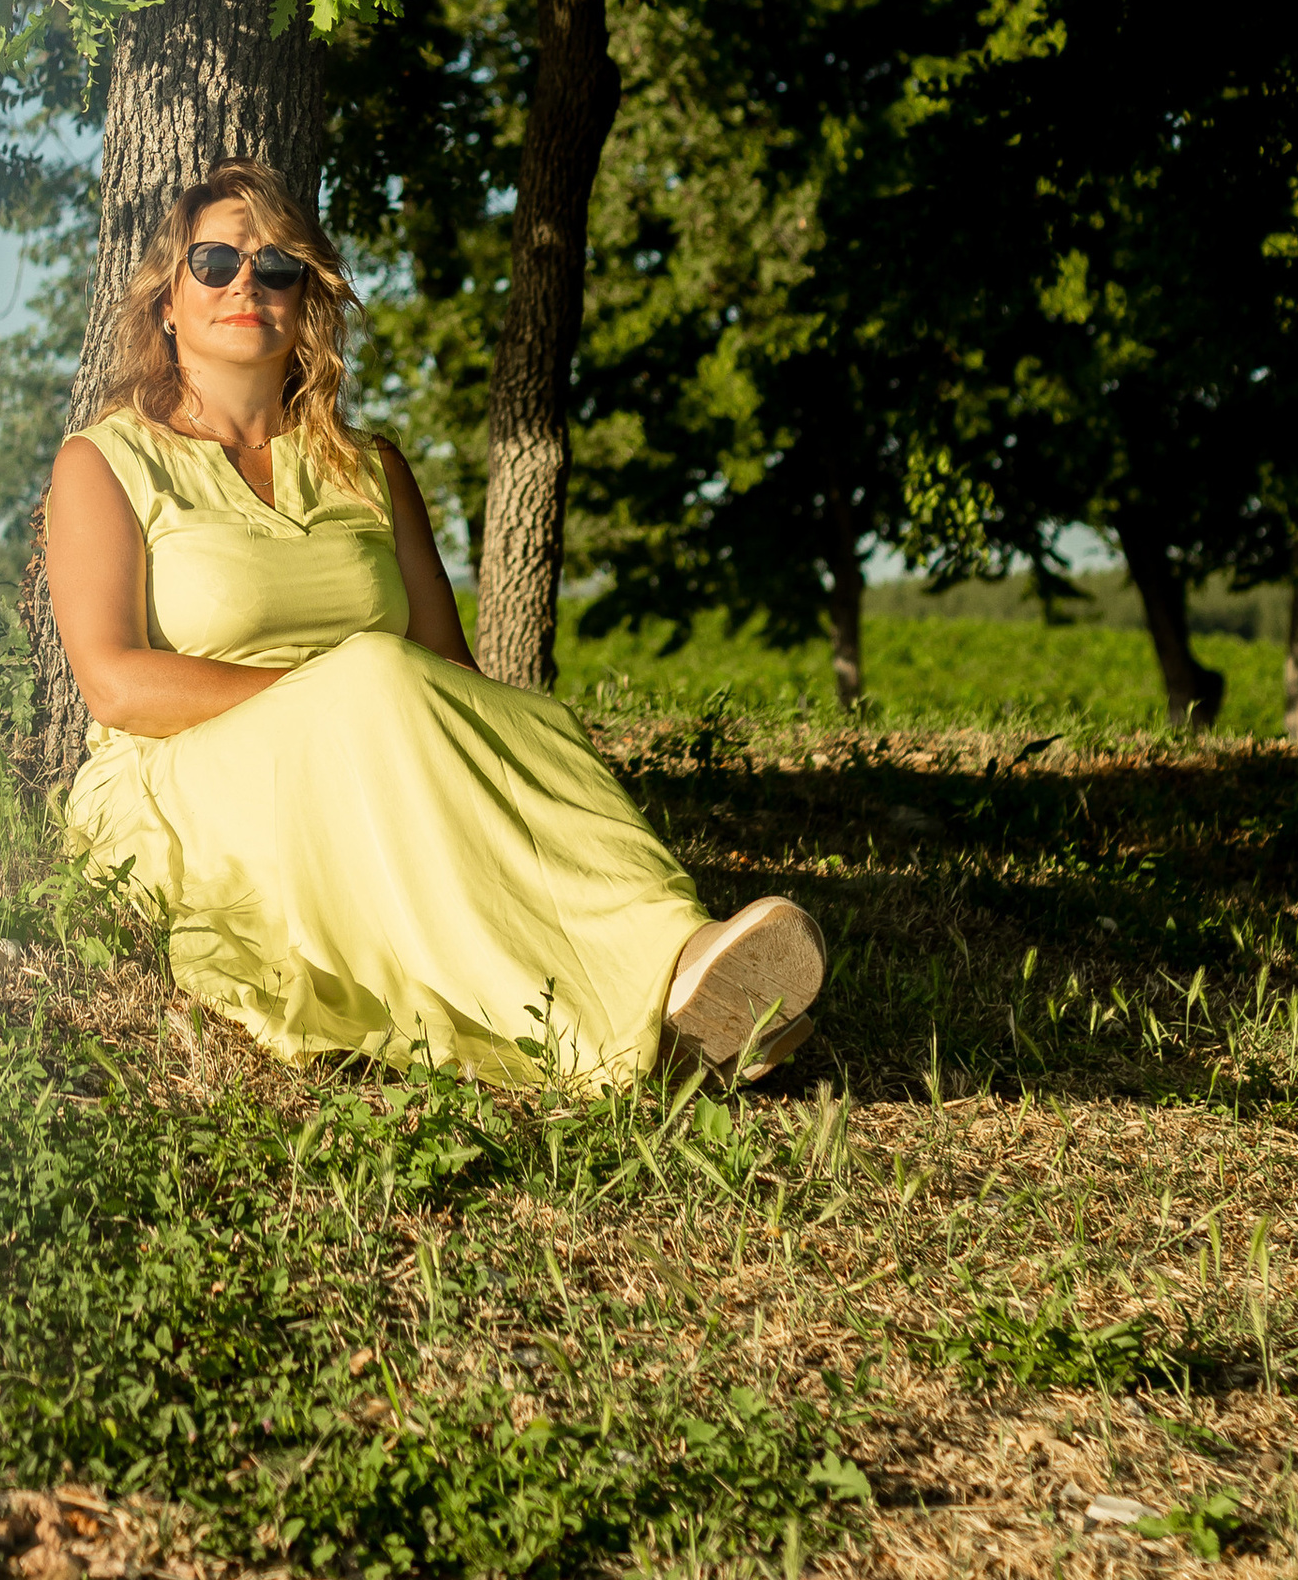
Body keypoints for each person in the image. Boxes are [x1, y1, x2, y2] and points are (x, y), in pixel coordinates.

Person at [46, 160, 825, 1092]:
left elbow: (447, 674)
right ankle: (630, 1014)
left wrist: (375, 708)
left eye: (276, 266)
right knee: (376, 677)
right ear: (167, 302)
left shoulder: (371, 468)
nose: (245, 282)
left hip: (376, 741)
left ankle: (685, 959)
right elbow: (115, 682)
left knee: (523, 721)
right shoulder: (109, 460)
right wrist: (333, 702)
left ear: (308, 301)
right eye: (213, 262)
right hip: (189, 773)